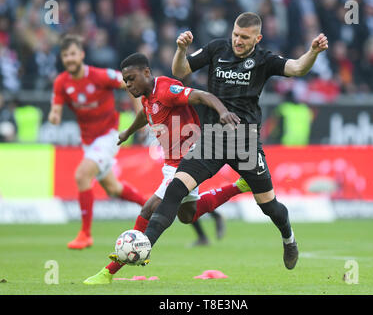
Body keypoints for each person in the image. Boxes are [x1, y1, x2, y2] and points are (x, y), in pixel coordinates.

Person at [141, 12, 328, 270]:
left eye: (245, 37)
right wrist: (181, 49)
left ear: (257, 38)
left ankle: (289, 239)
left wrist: (313, 52)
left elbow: (297, 67)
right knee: (175, 189)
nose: (238, 41)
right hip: (212, 139)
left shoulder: (265, 60)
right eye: (236, 35)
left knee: (270, 207)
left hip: (245, 143)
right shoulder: (217, 48)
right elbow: (180, 70)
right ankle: (144, 246)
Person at [83, 53, 251, 285]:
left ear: (147, 73)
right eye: (125, 80)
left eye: (131, 78)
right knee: (187, 215)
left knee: (149, 209)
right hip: (171, 163)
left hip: (188, 160)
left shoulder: (166, 90)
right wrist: (128, 132)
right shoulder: (147, 96)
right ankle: (239, 186)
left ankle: (109, 272)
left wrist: (222, 112)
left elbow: (203, 96)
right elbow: (145, 114)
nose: (128, 84)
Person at [48, 35, 147, 250]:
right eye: (65, 55)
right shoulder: (61, 82)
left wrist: (140, 113)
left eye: (73, 54)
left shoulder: (100, 76)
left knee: (82, 175)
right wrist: (54, 117)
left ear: (82, 55)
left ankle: (85, 234)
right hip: (88, 141)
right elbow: (55, 110)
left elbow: (131, 84)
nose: (69, 59)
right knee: (113, 188)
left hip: (109, 135)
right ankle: (150, 206)